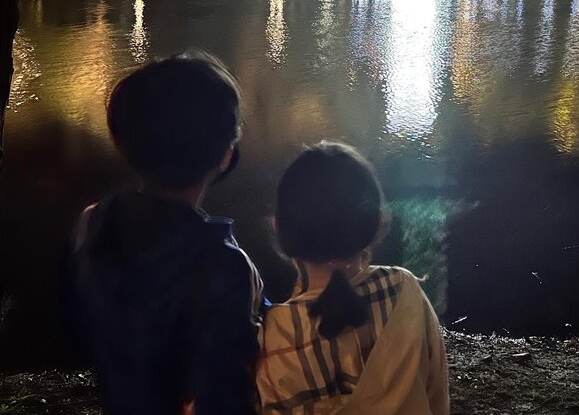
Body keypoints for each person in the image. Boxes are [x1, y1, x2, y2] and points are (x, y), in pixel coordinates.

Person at [70, 51, 264, 415]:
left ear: (122, 141)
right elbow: (225, 395)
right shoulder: (223, 264)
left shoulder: (94, 222)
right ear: (226, 154)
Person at [257, 142, 449, 415]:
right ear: (377, 221)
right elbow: (436, 395)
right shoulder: (404, 291)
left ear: (278, 227)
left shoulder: (275, 336)